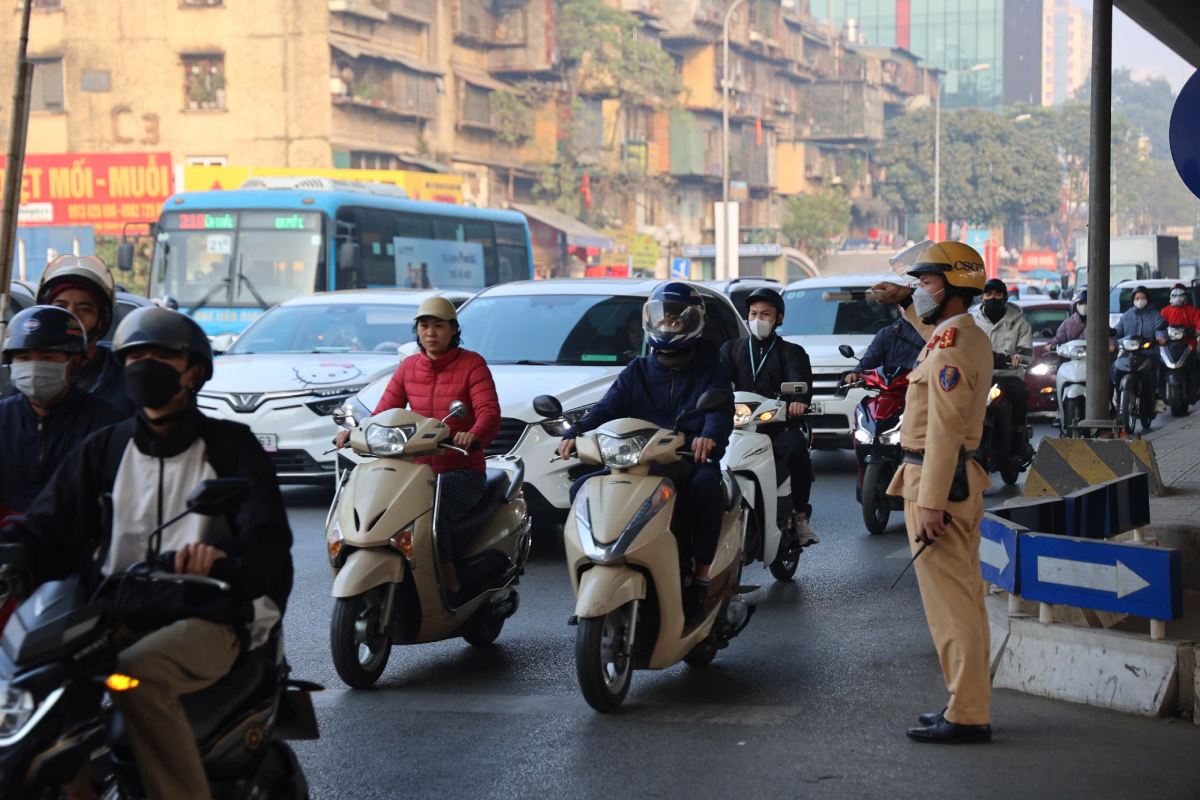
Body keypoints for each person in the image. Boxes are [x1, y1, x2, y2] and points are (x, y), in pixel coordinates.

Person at [1, 306, 294, 799]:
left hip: (211, 614)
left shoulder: (230, 447)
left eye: (162, 355)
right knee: (40, 686)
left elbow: (266, 541)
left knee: (136, 676)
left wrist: (222, 561)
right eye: (136, 356)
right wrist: (13, 553)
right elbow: (46, 524)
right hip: (116, 608)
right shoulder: (105, 448)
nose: (146, 365)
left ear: (194, 371)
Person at [872, 241, 994, 744]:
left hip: (936, 481)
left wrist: (929, 504)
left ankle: (967, 713)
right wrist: (903, 301)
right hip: (940, 479)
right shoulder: (961, 337)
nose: (920, 290)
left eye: (925, 283)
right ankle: (964, 702)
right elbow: (932, 335)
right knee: (961, 599)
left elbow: (944, 430)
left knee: (953, 606)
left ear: (951, 287)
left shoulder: (954, 347)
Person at [557, 282, 734, 622]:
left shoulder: (711, 368)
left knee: (705, 488)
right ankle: (595, 572)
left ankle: (700, 576)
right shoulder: (638, 369)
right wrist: (576, 432)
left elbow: (719, 410)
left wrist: (707, 436)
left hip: (687, 460)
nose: (667, 325)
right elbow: (606, 407)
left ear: (693, 322)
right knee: (583, 488)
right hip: (639, 460)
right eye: (662, 318)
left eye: (675, 320)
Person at [347, 296, 500, 595]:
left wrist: (474, 434)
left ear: (453, 330)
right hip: (412, 471)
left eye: (439, 326)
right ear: (416, 331)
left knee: (432, 509)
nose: (431, 333)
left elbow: (488, 412)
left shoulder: (472, 364)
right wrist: (356, 431)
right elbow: (384, 412)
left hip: (460, 470)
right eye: (424, 326)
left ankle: (447, 575)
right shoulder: (408, 367)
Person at [719, 287, 818, 546]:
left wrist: (798, 402)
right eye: (753, 314)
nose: (758, 319)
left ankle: (799, 515)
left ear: (778, 319)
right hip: (738, 426)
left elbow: (801, 383)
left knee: (796, 451)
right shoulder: (731, 350)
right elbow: (715, 383)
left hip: (777, 426)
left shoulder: (792, 352)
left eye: (765, 314)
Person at [0, 306, 122, 515]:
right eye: (23, 358)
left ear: (74, 362)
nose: (34, 366)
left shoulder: (105, 424)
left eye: (47, 357)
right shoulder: (2, 418)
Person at [36, 253, 133, 415]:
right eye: (61, 306)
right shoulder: (28, 374)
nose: (71, 316)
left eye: (84, 309)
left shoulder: (124, 377)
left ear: (101, 320)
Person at [972, 278, 1033, 461]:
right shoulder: (972, 321)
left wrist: (1019, 358)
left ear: (1005, 296)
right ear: (982, 297)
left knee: (1019, 394)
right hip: (980, 377)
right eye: (988, 294)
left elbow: (1027, 351)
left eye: (998, 294)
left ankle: (1018, 442)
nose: (993, 298)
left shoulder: (1018, 321)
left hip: (1009, 376)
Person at [843, 315, 925, 382]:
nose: (908, 308)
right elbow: (871, 358)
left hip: (923, 386)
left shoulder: (933, 330)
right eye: (904, 304)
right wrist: (856, 373)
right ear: (899, 307)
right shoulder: (888, 333)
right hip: (891, 390)